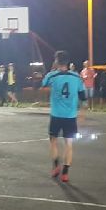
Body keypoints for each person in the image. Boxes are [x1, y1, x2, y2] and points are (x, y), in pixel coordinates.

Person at [41, 50, 86, 183]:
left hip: (56, 115)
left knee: (53, 141)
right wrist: (82, 114)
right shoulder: (76, 77)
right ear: (68, 62)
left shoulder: (52, 76)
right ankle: (65, 173)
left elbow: (43, 84)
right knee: (69, 144)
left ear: (56, 61)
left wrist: (52, 70)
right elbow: (83, 97)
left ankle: (56, 166)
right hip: (70, 116)